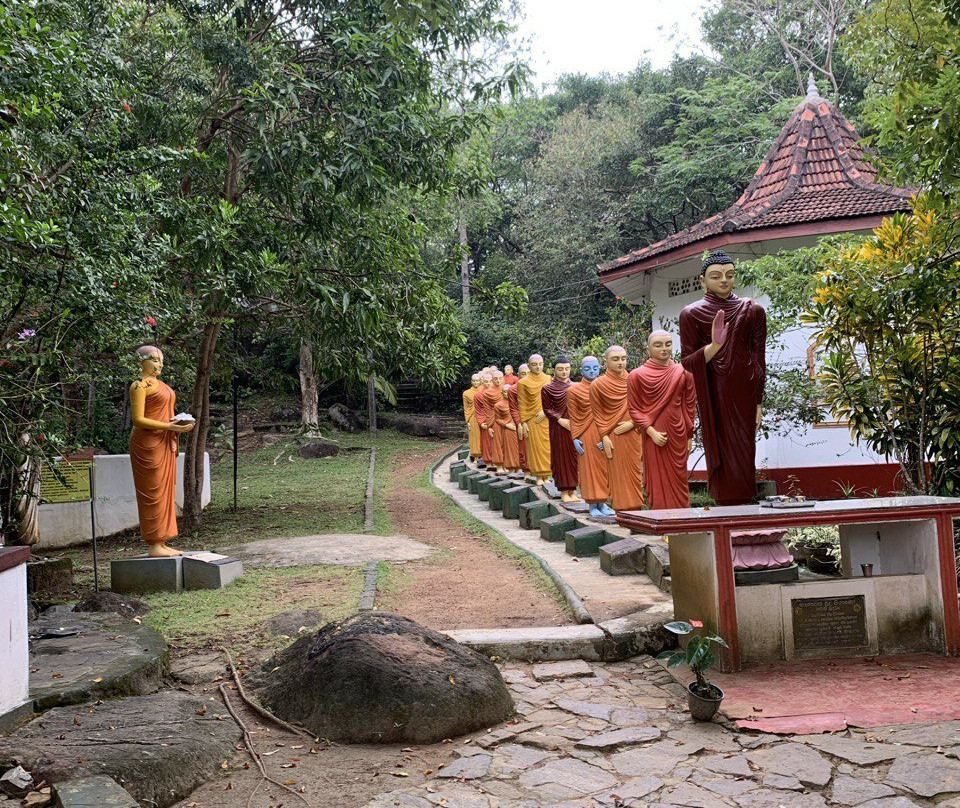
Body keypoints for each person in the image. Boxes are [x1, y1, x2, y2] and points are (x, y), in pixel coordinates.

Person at [680, 250, 766, 505]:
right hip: (715, 390)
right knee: (724, 450)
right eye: (716, 276)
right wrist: (714, 347)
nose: (724, 281)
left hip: (745, 390)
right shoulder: (691, 313)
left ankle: (744, 505)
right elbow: (687, 362)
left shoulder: (753, 310)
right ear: (702, 280)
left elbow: (759, 358)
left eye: (729, 275)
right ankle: (726, 506)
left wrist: (759, 402)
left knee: (744, 450)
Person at [129, 345, 195, 557]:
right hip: (147, 444)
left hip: (164, 441)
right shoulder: (139, 386)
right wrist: (170, 427)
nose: (160, 364)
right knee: (152, 492)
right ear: (141, 361)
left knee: (165, 491)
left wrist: (178, 423)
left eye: (161, 361)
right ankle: (153, 543)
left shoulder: (163, 386)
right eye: (155, 360)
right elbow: (138, 419)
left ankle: (162, 540)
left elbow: (165, 414)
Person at [628, 331, 696, 509]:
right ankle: (661, 520)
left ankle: (681, 519)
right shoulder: (636, 375)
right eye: (658, 345)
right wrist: (650, 432)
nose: (664, 349)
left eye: (667, 344)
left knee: (679, 476)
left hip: (678, 431)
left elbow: (689, 406)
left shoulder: (684, 372)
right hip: (654, 432)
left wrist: (689, 434)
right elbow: (634, 410)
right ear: (648, 348)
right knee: (657, 478)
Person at [590, 345, 644, 511]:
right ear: (605, 361)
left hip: (635, 434)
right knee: (618, 475)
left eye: (623, 358)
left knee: (637, 473)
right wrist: (604, 436)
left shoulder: (635, 379)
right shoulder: (598, 385)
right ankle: (622, 511)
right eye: (615, 359)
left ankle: (638, 510)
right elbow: (597, 415)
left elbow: (646, 407)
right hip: (614, 436)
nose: (621, 362)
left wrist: (633, 423)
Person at [567, 355, 614, 517]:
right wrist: (575, 438)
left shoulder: (605, 387)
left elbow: (610, 412)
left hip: (604, 432)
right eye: (587, 369)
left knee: (605, 469)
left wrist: (607, 435)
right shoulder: (573, 390)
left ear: (600, 368)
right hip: (585, 434)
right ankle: (593, 505)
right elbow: (573, 416)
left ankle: (603, 503)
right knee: (589, 470)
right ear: (580, 371)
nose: (592, 372)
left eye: (595, 368)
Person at [541, 356, 580, 502]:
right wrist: (559, 419)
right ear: (553, 370)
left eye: (567, 369)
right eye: (560, 369)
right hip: (558, 428)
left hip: (575, 426)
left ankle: (573, 490)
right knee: (561, 458)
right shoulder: (547, 388)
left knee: (574, 458)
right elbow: (547, 409)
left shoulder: (576, 386)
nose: (564, 372)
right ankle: (564, 491)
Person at [516, 354, 551, 484]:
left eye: (541, 364)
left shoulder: (548, 379)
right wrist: (523, 422)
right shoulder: (523, 382)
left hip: (546, 418)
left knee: (547, 447)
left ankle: (547, 475)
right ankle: (538, 475)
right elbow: (522, 403)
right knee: (535, 447)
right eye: (535, 364)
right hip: (532, 419)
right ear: (529, 365)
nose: (538, 367)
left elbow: (552, 399)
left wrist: (546, 411)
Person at [462, 373, 482, 462]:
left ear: (480, 381)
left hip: (483, 416)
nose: (475, 382)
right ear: (471, 381)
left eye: (477, 380)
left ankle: (485, 456)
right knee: (474, 437)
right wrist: (468, 421)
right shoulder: (466, 393)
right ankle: (475, 456)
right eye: (474, 381)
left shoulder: (484, 391)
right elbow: (466, 408)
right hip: (473, 417)